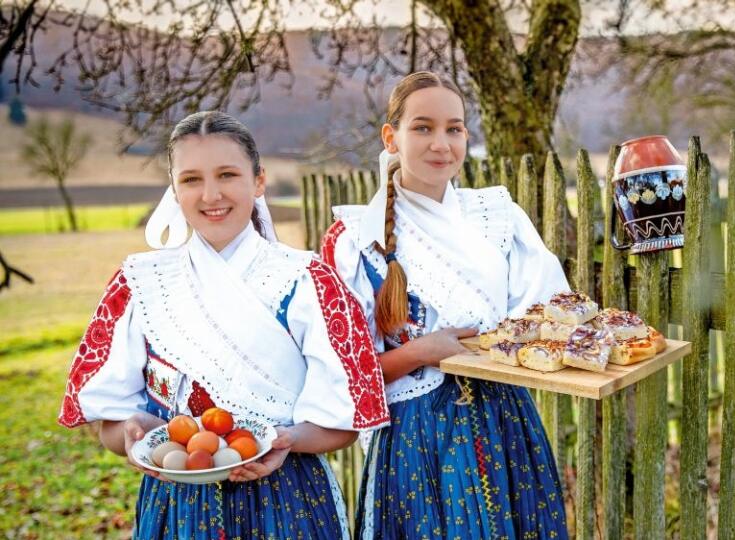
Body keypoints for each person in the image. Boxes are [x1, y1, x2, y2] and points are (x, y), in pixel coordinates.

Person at [58, 111, 389, 539]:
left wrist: (283, 441)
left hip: (288, 500)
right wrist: (132, 433)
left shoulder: (309, 280)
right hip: (178, 506)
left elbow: (341, 423)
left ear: (259, 181)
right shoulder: (140, 282)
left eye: (227, 175)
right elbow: (111, 426)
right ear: (174, 191)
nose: (211, 194)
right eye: (191, 179)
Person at [324, 71, 570, 539]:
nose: (441, 143)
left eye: (454, 128)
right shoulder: (357, 239)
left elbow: (547, 316)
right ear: (390, 137)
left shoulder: (498, 215)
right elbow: (345, 376)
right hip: (418, 437)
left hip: (506, 419)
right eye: (423, 127)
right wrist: (421, 351)